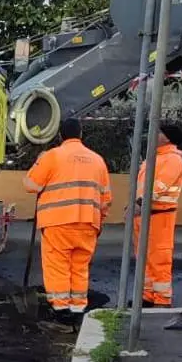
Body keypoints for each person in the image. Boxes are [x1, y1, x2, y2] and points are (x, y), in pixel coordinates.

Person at [23, 118, 112, 320]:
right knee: (80, 266)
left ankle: (61, 308)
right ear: (81, 134)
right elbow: (106, 198)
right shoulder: (97, 160)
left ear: (60, 135)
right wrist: (100, 221)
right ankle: (79, 308)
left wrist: (38, 160)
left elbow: (31, 185)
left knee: (58, 265)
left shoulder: (52, 157)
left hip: (58, 222)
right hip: (89, 223)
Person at [133, 124, 182, 309]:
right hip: (147, 215)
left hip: (160, 216)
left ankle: (162, 300)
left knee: (159, 259)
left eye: (159, 132)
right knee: (145, 258)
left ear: (167, 138)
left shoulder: (172, 160)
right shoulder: (156, 158)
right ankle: (148, 295)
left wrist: (138, 204)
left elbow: (159, 186)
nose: (154, 135)